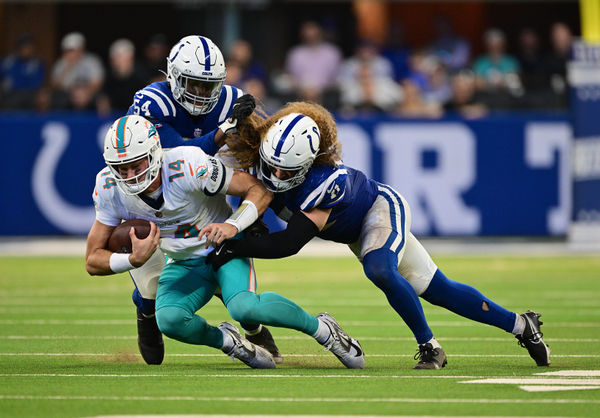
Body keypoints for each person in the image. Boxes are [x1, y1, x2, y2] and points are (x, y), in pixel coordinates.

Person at [200, 101, 551, 370]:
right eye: (271, 164)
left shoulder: (323, 183)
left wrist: (233, 243)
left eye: (285, 169)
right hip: (352, 231)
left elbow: (289, 243)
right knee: (438, 289)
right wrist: (233, 123)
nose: (275, 174)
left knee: (380, 269)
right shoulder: (266, 153)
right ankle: (521, 325)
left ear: (307, 163)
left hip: (378, 211)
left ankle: (430, 346)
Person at [85, 115, 364, 370]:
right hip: (183, 261)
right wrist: (132, 260)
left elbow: (258, 189)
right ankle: (230, 342)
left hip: (224, 249)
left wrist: (233, 225)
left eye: (136, 164)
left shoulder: (188, 165)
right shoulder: (109, 188)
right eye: (121, 168)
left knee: (244, 307)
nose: (130, 174)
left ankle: (324, 330)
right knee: (168, 320)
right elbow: (92, 259)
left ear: (155, 153)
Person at [124, 35, 278, 365]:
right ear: (174, 77)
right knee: (152, 282)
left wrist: (249, 214)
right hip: (155, 195)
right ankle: (147, 313)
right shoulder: (151, 102)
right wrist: (223, 131)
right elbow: (171, 158)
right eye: (194, 84)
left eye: (210, 86)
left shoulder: (231, 101)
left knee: (224, 259)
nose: (202, 94)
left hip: (206, 196)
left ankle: (251, 326)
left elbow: (252, 164)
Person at [49, 32, 105, 110]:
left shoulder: (92, 60)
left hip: (89, 93)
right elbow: (55, 85)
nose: (72, 53)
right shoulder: (61, 63)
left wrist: (85, 93)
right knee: (57, 98)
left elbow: (98, 82)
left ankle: (102, 122)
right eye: (68, 50)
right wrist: (68, 67)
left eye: (74, 50)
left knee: (102, 99)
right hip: (68, 94)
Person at [0, 33, 45, 110]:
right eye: (24, 47)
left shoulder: (37, 63)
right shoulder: (9, 60)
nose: (26, 50)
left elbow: (36, 83)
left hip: (29, 95)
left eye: (29, 47)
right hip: (9, 95)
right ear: (19, 48)